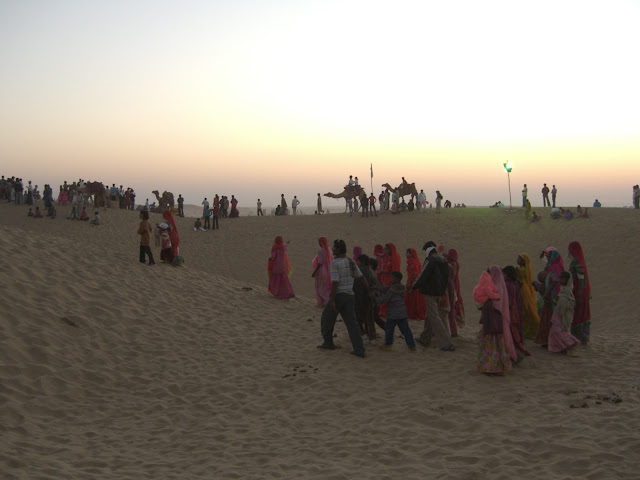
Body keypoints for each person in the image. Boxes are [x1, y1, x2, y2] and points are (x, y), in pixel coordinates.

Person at [317, 239, 367, 358]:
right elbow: (361, 277)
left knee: (326, 319)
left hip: (339, 295)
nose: (333, 249)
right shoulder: (350, 261)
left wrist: (333, 299)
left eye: (334, 247)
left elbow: (335, 282)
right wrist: (368, 291)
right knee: (352, 324)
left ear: (339, 249)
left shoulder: (335, 263)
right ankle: (359, 349)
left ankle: (328, 342)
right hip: (350, 296)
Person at [411, 245, 455, 351]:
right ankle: (425, 338)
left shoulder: (430, 260)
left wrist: (414, 287)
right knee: (430, 315)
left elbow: (423, 275)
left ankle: (446, 343)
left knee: (434, 317)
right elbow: (446, 277)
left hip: (430, 292)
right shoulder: (444, 260)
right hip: (440, 292)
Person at [473, 271, 512, 376]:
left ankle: (491, 368)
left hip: (491, 326)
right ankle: (498, 368)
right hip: (497, 325)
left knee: (490, 348)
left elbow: (488, 312)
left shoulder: (493, 291)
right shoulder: (498, 289)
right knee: (498, 348)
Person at [376, 271, 416, 351]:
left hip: (393, 313)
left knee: (389, 329)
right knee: (405, 330)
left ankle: (388, 345)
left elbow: (385, 299)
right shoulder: (400, 287)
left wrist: (374, 299)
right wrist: (378, 286)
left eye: (392, 277)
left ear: (396, 279)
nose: (390, 278)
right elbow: (387, 289)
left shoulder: (393, 289)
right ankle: (412, 345)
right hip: (402, 312)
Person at [488, 266, 518, 362]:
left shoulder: (498, 287)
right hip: (500, 316)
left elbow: (496, 304)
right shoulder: (501, 285)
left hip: (497, 317)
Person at [535, 248, 565, 347]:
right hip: (549, 296)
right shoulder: (552, 266)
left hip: (552, 297)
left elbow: (555, 281)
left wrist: (547, 292)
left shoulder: (555, 267)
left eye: (548, 257)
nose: (547, 258)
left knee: (549, 318)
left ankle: (549, 341)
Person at [548, 272, 580, 355]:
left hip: (562, 315)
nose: (560, 280)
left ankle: (571, 342)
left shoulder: (567, 290)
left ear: (567, 280)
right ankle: (560, 348)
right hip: (558, 313)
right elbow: (559, 301)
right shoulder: (563, 289)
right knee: (554, 332)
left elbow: (569, 303)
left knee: (557, 331)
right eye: (560, 277)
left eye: (563, 278)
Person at [502, 266, 530, 359]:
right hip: (515, 311)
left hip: (510, 312)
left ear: (508, 276)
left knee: (511, 334)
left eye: (504, 274)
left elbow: (508, 301)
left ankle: (516, 354)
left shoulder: (508, 285)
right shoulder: (515, 284)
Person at [567, 241, 591, 344]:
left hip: (579, 292)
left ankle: (580, 337)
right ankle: (582, 336)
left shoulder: (577, 262)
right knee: (581, 313)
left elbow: (581, 278)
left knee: (579, 313)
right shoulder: (578, 261)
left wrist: (579, 293)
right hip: (578, 291)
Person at [354, 254, 377, 345]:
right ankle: (372, 337)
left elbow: (359, 285)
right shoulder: (371, 271)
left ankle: (364, 334)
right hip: (371, 297)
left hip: (363, 297)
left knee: (358, 316)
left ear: (362, 262)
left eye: (358, 261)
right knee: (370, 318)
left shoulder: (361, 271)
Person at [517, 253, 540, 339]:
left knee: (526, 308)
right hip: (524, 288)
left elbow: (519, 279)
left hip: (523, 289)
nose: (517, 260)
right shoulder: (521, 268)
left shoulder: (522, 270)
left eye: (519, 258)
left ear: (523, 262)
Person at [404, 248, 426, 320]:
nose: (406, 254)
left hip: (413, 283)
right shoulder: (416, 262)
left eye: (407, 253)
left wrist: (409, 283)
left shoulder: (412, 262)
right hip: (416, 282)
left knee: (412, 298)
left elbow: (412, 274)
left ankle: (413, 314)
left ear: (411, 254)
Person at [447, 248, 465, 330]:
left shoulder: (450, 264)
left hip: (451, 285)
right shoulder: (456, 264)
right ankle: (459, 319)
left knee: (451, 304)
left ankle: (457, 320)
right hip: (456, 285)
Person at [311, 237, 333, 307]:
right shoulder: (329, 250)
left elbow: (320, 263)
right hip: (328, 270)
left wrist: (315, 272)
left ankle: (323, 301)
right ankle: (327, 300)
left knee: (320, 287)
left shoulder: (321, 251)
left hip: (321, 271)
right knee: (325, 286)